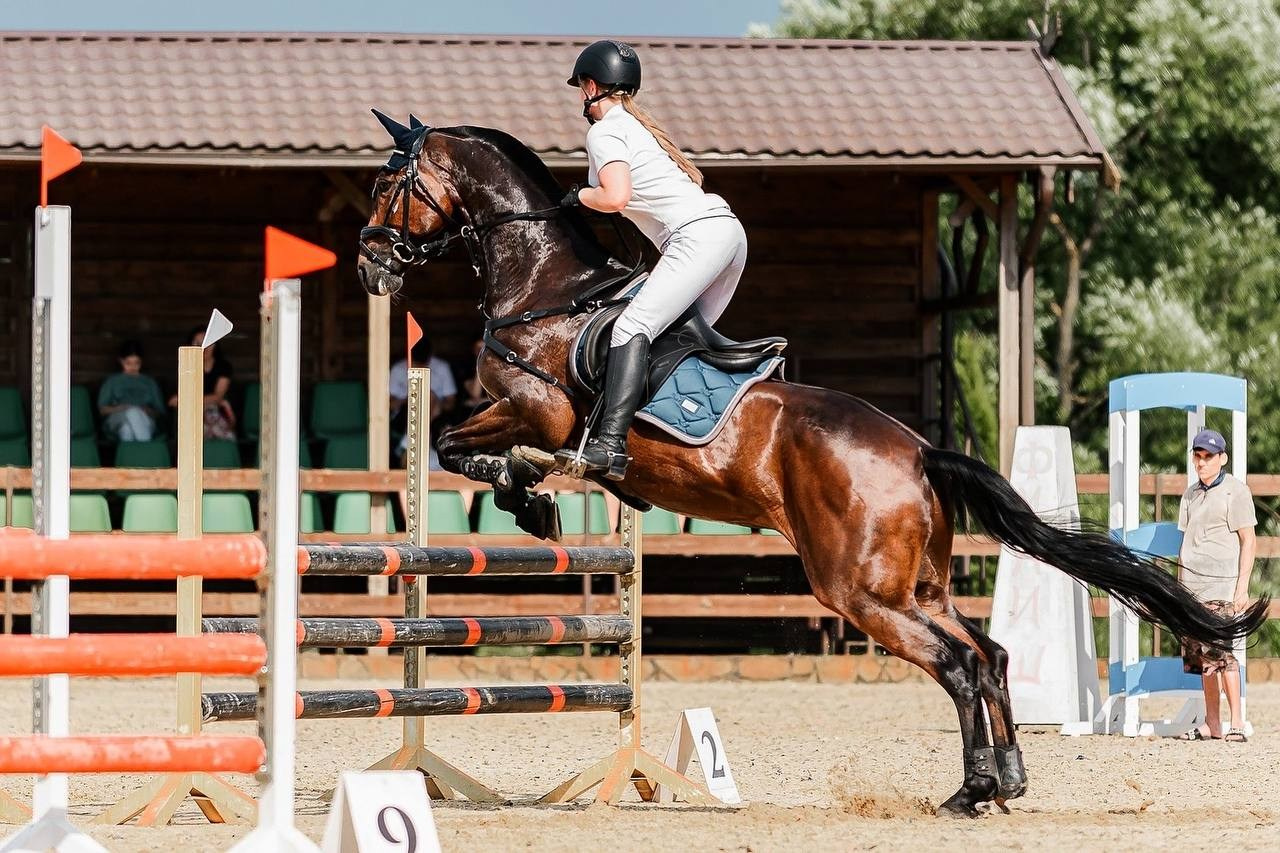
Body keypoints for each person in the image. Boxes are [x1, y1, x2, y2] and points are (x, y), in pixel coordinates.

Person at [556, 39, 748, 480]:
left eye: (579, 88)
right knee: (678, 335)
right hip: (728, 234)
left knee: (631, 327)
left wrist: (577, 196)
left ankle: (609, 446)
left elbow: (615, 196)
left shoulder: (604, 131)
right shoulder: (637, 127)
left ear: (589, 86)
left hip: (697, 238)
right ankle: (675, 442)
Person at [1176, 428, 1256, 743]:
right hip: (1192, 589)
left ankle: (1237, 721)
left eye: (1208, 456)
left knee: (1223, 655)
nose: (1201, 462)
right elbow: (1186, 542)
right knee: (1202, 660)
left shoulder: (1236, 492)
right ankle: (1213, 723)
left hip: (1222, 586)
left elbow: (1249, 541)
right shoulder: (1190, 494)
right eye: (1198, 456)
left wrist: (1241, 588)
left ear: (1221, 458)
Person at [389, 337, 456, 469]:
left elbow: (451, 403)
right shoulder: (398, 369)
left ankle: (414, 440)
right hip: (405, 414)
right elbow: (389, 404)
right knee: (422, 395)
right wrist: (412, 398)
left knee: (428, 395)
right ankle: (414, 440)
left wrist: (434, 404)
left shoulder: (441, 368)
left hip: (437, 416)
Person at [168, 326, 235, 440]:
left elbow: (217, 397)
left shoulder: (223, 366)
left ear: (214, 345)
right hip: (192, 413)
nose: (203, 347)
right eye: (197, 343)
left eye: (207, 343)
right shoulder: (187, 367)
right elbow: (173, 401)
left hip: (216, 411)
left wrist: (186, 400)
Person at [98, 340, 165, 442]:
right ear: (121, 361)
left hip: (146, 420)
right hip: (117, 419)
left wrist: (146, 410)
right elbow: (102, 410)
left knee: (127, 430)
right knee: (132, 412)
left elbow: (160, 412)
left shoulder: (149, 382)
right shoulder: (112, 381)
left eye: (136, 363)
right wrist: (122, 408)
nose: (133, 367)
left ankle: (130, 456)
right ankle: (146, 449)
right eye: (128, 363)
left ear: (141, 361)